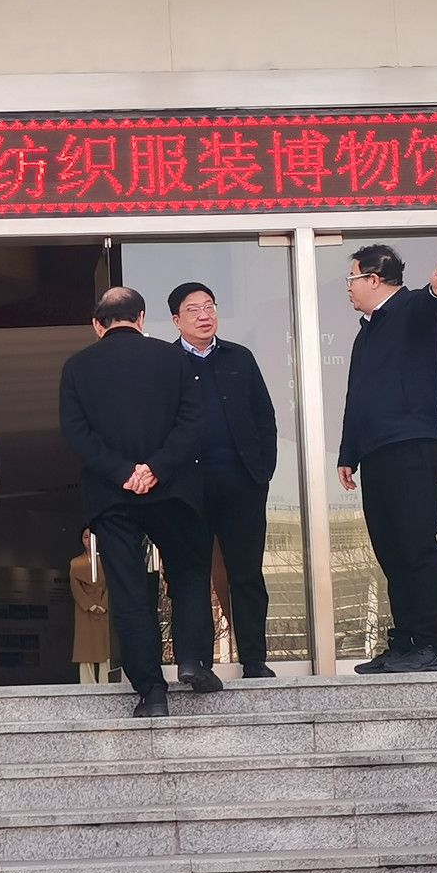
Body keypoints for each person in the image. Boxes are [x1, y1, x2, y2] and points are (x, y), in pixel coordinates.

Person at [59, 286, 217, 718]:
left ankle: (151, 690)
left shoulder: (77, 367)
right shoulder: (174, 359)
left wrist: (122, 472)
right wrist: (156, 468)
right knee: (188, 574)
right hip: (173, 490)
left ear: (98, 325)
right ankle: (192, 660)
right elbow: (192, 422)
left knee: (129, 590)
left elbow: (76, 432)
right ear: (142, 318)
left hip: (112, 495)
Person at [336, 244, 437, 675]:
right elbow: (356, 398)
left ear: (374, 279)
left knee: (416, 547)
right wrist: (348, 452)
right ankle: (404, 644)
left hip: (412, 448)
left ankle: (430, 644)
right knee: (391, 552)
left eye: (352, 279)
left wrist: (435, 294)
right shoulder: (365, 333)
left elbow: (426, 308)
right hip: (376, 453)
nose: (348, 289)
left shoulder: (410, 307)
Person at [168, 281, 279, 679]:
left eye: (210, 307)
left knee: (246, 574)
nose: (204, 315)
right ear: (176, 320)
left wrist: (262, 473)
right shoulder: (167, 364)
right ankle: (197, 662)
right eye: (194, 309)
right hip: (188, 488)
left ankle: (254, 659)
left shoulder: (240, 358)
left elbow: (264, 417)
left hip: (241, 483)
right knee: (191, 575)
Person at [69, 529, 112, 682]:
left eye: (93, 537)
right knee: (84, 646)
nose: (89, 541)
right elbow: (75, 587)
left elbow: (112, 584)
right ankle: (87, 682)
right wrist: (89, 605)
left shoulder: (108, 560)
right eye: (86, 537)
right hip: (84, 609)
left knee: (104, 646)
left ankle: (106, 680)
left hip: (103, 606)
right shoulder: (75, 563)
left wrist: (104, 604)